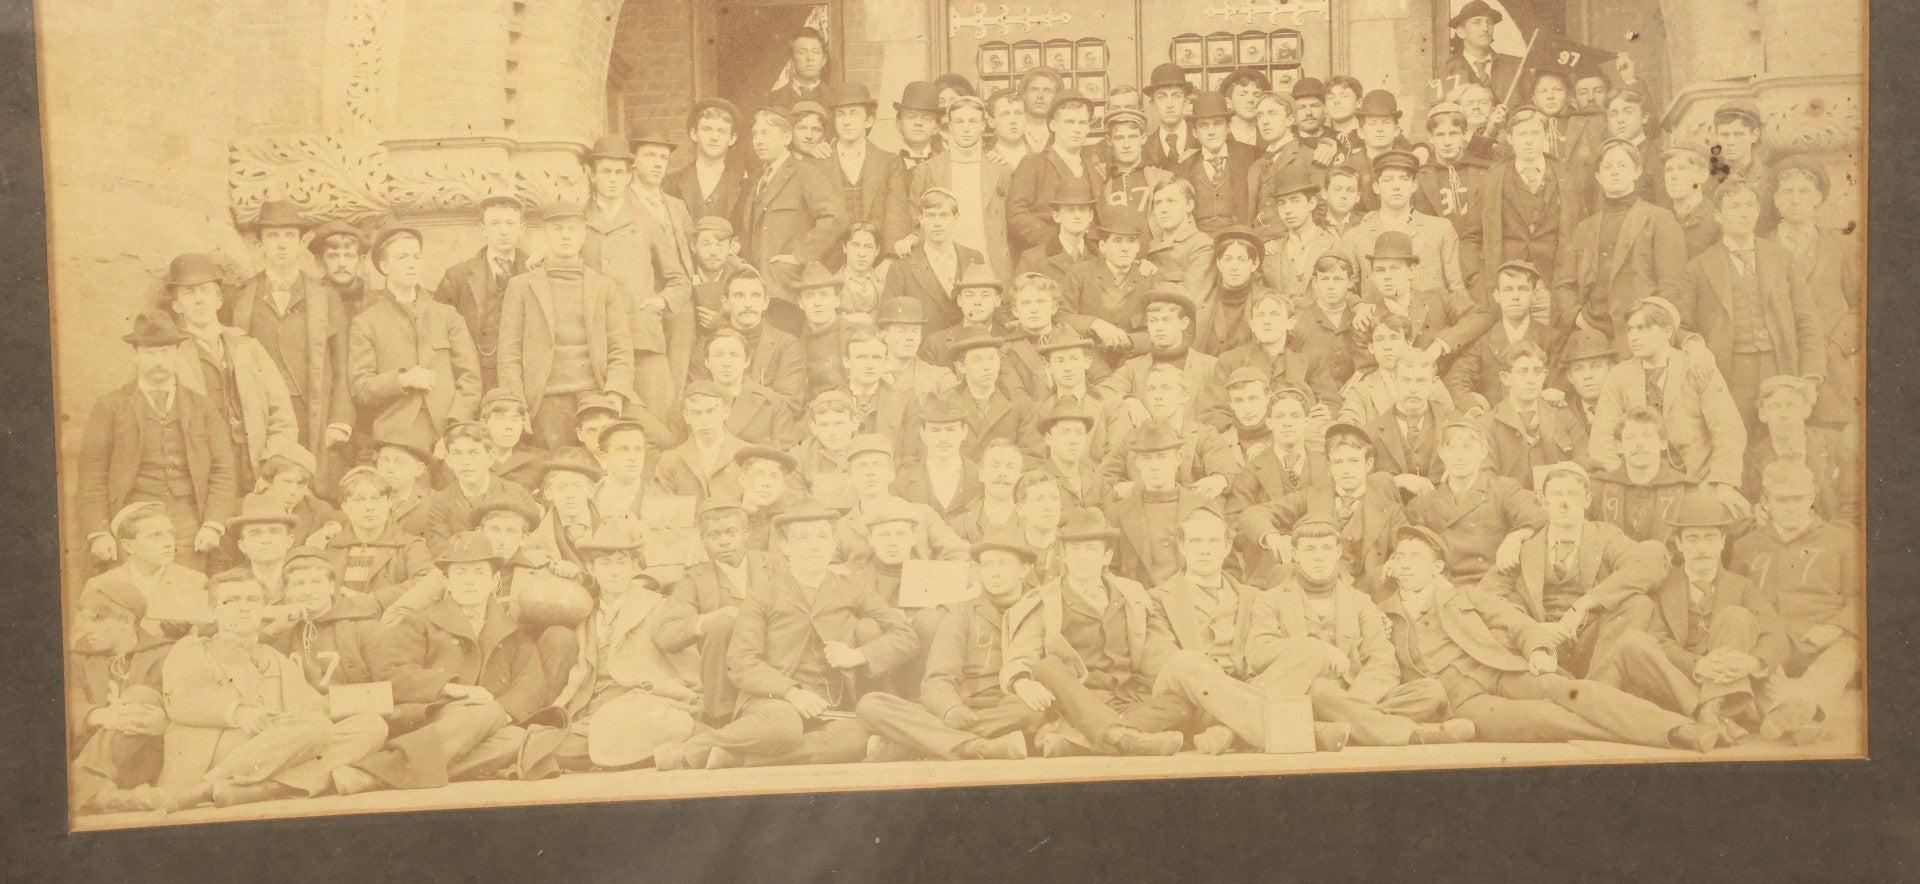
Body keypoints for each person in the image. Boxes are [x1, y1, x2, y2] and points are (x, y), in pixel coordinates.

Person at [1375, 526, 1718, 751]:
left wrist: (1538, 650)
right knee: (1546, 719)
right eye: (1400, 558)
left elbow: (1519, 624)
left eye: (1416, 557)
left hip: (1503, 671)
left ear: (1436, 568)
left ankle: (1683, 728)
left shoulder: (1464, 596)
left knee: (1573, 691)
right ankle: (1669, 735)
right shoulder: (1381, 613)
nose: (1406, 565)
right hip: (1463, 701)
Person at [652, 502, 919, 770]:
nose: (814, 546)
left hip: (832, 706)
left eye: (822, 537)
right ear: (785, 547)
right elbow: (741, 661)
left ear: (832, 543)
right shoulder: (763, 594)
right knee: (784, 726)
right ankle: (692, 750)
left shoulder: (851, 587)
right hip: (773, 701)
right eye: (802, 538)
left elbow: (905, 635)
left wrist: (858, 655)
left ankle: (740, 757)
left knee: (856, 737)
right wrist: (791, 692)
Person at [327, 532, 554, 794]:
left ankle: (382, 773)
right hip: (432, 716)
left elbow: (531, 683)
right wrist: (452, 689)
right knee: (510, 734)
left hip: (485, 723)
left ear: (493, 581)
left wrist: (501, 713)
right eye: (460, 573)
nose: (469, 581)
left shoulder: (511, 628)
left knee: (517, 739)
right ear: (446, 581)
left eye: (479, 573)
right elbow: (392, 672)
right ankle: (389, 770)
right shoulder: (420, 622)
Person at [1224, 515, 1475, 748]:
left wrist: (1351, 702)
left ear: (1338, 552)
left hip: (1353, 693)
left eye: (1325, 548)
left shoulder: (1360, 601)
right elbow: (1258, 652)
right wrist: (1318, 651)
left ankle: (1331, 727)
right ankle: (1412, 733)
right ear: (1295, 554)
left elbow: (1383, 662)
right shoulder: (1271, 600)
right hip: (1300, 691)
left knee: (1430, 691)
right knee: (1321, 690)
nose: (1319, 557)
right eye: (1309, 549)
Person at [156, 569, 389, 809]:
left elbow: (316, 706)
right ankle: (205, 787)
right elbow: (179, 700)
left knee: (372, 726)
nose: (243, 608)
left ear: (263, 609)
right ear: (213, 611)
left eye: (252, 600)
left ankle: (265, 789)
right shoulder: (193, 648)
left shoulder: (276, 658)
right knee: (314, 727)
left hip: (278, 749)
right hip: (218, 750)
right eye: (231, 601)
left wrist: (383, 698)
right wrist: (238, 712)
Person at [1588, 490, 1787, 744]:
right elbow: (1658, 640)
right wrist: (1697, 666)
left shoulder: (1742, 587)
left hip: (1731, 678)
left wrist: (1751, 662)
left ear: (1722, 542)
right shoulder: (1663, 588)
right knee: (1635, 641)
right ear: (1680, 544)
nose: (1702, 549)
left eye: (1709, 539)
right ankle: (1715, 715)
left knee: (1736, 616)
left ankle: (1712, 710)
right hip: (1683, 683)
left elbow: (1775, 634)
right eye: (1693, 540)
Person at [1000, 507, 1192, 757]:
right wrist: (1021, 681)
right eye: (1075, 551)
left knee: (1181, 704)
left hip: (1126, 699)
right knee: (1047, 668)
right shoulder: (1045, 602)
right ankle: (1121, 737)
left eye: (1091, 550)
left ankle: (1083, 739)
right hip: (1076, 699)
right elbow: (1020, 658)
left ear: (1106, 557)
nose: (1082, 557)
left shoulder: (1130, 596)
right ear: (1065, 557)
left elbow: (1155, 651)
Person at [855, 529, 1043, 761]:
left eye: (1003, 564)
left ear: (1024, 569)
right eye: (987, 565)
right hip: (960, 706)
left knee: (1031, 712)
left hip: (1005, 708)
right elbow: (938, 679)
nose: (994, 573)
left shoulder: (1040, 610)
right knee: (870, 705)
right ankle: (977, 747)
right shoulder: (962, 613)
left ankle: (922, 743)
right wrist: (951, 709)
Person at [1474, 462, 1667, 682]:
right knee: (1495, 629)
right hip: (1543, 644)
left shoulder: (1604, 536)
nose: (1564, 502)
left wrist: (1584, 604)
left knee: (1637, 604)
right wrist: (1533, 629)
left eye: (1573, 494)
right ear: (1544, 502)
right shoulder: (1526, 546)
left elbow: (1648, 563)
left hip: (1593, 644)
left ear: (1587, 500)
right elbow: (1484, 597)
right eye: (1556, 495)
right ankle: (1561, 689)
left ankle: (1597, 690)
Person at [79, 311, 238, 573]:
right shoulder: (111, 406)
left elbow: (223, 470)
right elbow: (91, 475)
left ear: (177, 353)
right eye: (150, 353)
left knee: (189, 594)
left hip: (190, 522)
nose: (158, 361)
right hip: (132, 520)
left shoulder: (202, 406)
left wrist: (212, 524)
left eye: (165, 352)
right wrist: (98, 531)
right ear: (135, 355)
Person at [546, 520, 702, 772]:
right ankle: (641, 755)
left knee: (598, 734)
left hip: (645, 702)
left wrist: (683, 699)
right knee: (548, 745)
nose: (614, 572)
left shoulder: (658, 607)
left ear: (634, 568)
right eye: (605, 564)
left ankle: (663, 748)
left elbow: (690, 670)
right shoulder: (586, 613)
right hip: (592, 710)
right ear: (591, 568)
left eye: (622, 563)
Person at [226, 201, 358, 485]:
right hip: (261, 411)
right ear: (260, 245)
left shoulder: (325, 297)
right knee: (265, 482)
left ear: (300, 244)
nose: (281, 245)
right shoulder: (240, 298)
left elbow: (341, 363)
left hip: (311, 409)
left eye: (289, 236)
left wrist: (339, 418)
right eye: (273, 237)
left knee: (312, 484)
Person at [1676, 177, 1825, 428]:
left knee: (1780, 440)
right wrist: (1693, 345)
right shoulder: (1698, 268)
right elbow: (1678, 326)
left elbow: (1807, 319)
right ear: (1718, 215)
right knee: (1734, 442)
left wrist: (1810, 377)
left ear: (1757, 212)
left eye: (1749, 206)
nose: (1744, 214)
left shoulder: (1782, 259)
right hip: (1730, 372)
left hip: (1779, 366)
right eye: (1734, 206)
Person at [1729, 461, 1861, 742]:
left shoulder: (1842, 542)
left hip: (1820, 640)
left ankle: (1789, 712)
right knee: (1758, 662)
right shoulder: (1746, 546)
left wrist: (1836, 627)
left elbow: (1859, 599)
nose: (1790, 507)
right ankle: (1799, 717)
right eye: (1781, 499)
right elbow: (1732, 601)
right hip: (1770, 643)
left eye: (1798, 498)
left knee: (1848, 651)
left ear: (1812, 496)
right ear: (1767, 501)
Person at [497, 203, 637, 451]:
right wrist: (517, 405)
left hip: (596, 393)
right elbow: (509, 353)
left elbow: (620, 348)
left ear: (583, 236)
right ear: (544, 234)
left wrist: (614, 394)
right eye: (557, 228)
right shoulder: (521, 286)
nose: (565, 235)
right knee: (558, 462)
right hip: (546, 397)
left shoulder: (604, 286)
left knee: (646, 444)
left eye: (572, 229)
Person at [162, 253, 298, 495]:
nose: (199, 300)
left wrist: (271, 466)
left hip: (254, 465)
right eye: (189, 293)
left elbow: (281, 413)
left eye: (205, 291)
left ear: (218, 299)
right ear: (176, 305)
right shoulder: (172, 356)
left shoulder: (248, 347)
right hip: (205, 474)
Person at [1589, 297, 1747, 502]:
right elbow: (1602, 440)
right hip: (1640, 487)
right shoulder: (1620, 376)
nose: (1634, 337)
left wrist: (1723, 483)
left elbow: (1728, 430)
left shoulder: (1695, 367)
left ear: (1667, 332)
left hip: (1697, 484)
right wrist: (1624, 480)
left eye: (1643, 328)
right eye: (1630, 330)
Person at [348, 224, 482, 454]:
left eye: (416, 257)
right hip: (396, 438)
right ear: (384, 266)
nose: (411, 264)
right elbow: (360, 389)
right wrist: (403, 380)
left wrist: (454, 429)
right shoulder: (366, 322)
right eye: (402, 257)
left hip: (447, 434)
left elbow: (470, 379)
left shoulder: (447, 315)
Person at [1553, 139, 1689, 354]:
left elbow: (1672, 286)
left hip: (1642, 335)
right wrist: (1580, 319)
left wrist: (1651, 328)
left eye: (1622, 165)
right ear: (1598, 176)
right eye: (1607, 167)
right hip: (1592, 334)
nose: (1614, 172)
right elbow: (1564, 286)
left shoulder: (1659, 219)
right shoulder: (1584, 228)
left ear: (1637, 171)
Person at [1239, 422, 1408, 594]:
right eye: (1338, 462)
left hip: (1365, 595)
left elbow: (1407, 546)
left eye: (1353, 461)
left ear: (1368, 464)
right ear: (1329, 467)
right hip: (1312, 590)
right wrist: (1274, 538)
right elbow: (1252, 515)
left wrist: (1395, 560)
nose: (1346, 469)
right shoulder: (1312, 497)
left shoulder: (1390, 510)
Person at [660, 497, 780, 723]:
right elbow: (666, 634)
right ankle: (721, 718)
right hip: (727, 682)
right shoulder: (695, 580)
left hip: (776, 661)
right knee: (720, 625)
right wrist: (710, 617)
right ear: (703, 541)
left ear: (746, 534)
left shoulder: (775, 565)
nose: (724, 541)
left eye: (731, 532)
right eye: (714, 535)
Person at [1770, 156, 1860, 435]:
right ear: (1775, 199)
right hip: (1779, 367)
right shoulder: (1762, 246)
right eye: (1787, 192)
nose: (1795, 200)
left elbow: (1861, 306)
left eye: (1804, 192)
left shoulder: (1839, 246)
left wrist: (1838, 345)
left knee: (1828, 448)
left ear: (1818, 198)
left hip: (1830, 370)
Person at [66, 580, 173, 813]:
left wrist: (166, 725)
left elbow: (185, 708)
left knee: (143, 695)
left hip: (145, 760)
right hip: (90, 753)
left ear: (126, 622)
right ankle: (104, 794)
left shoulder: (165, 654)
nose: (85, 628)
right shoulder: (78, 660)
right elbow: (70, 706)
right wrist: (103, 715)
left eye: (96, 619)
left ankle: (87, 787)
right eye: (83, 619)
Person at [1403, 419, 1546, 584]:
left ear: (1483, 452)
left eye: (1468, 447)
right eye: (1451, 447)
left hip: (1494, 585)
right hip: (1446, 587)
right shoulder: (1423, 504)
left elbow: (1538, 515)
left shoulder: (1503, 490)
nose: (1459, 456)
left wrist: (1515, 536)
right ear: (1441, 452)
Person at [741, 106, 850, 322]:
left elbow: (836, 217)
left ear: (786, 137)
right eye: (755, 134)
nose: (759, 140)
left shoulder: (805, 173)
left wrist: (799, 256)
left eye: (766, 133)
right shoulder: (759, 178)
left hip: (789, 287)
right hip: (760, 289)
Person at [1470, 107, 1581, 304]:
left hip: (1553, 280)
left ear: (1546, 135)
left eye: (1535, 133)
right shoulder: (1493, 177)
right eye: (1521, 134)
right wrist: (1476, 277)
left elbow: (1579, 235)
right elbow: (1472, 235)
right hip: (1506, 280)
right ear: (1510, 138)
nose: (1529, 140)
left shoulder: (1565, 176)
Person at [1335, 150, 1472, 304]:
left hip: (1432, 323)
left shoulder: (1440, 229)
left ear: (1414, 185)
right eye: (1388, 180)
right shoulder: (1355, 236)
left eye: (1403, 179)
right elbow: (1345, 289)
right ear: (1376, 187)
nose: (1396, 187)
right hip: (1379, 323)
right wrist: (1358, 306)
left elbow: (1456, 286)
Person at [1351, 230, 1492, 371]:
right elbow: (1368, 374)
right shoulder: (1366, 318)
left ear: (1411, 271)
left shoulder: (1438, 298)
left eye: (1394, 268)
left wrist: (1439, 345)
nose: (1387, 276)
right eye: (1381, 270)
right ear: (1373, 277)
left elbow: (1483, 316)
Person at [433, 196, 534, 391]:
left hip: (524, 376)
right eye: (495, 223)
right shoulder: (458, 276)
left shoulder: (537, 273)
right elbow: (438, 331)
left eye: (510, 223)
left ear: (521, 229)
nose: (503, 231)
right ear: (482, 229)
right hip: (476, 377)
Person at [912, 94, 1013, 281]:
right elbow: (915, 219)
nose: (966, 128)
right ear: (949, 127)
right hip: (944, 256)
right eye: (959, 122)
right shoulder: (928, 170)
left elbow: (1009, 218)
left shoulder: (1000, 168)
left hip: (989, 258)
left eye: (973, 121)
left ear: (983, 125)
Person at [1743, 375, 1856, 527]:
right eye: (1774, 406)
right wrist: (1753, 514)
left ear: (1806, 410)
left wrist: (1832, 539)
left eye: (1791, 405)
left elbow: (1853, 507)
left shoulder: (1835, 445)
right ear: (1763, 413)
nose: (1784, 415)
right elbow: (1746, 510)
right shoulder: (1750, 458)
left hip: (1828, 539)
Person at [1007, 90, 1104, 266]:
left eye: (1082, 123)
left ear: (1088, 128)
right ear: (1053, 125)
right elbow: (1016, 215)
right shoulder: (1034, 163)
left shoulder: (1093, 168)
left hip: (1087, 260)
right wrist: (1059, 242)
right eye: (1069, 122)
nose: (1076, 129)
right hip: (1045, 259)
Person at [1445, 260, 1558, 408]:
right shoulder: (1483, 340)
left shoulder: (1551, 338)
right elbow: (1456, 381)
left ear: (1534, 295)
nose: (1515, 296)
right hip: (1494, 424)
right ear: (1497, 295)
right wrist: (1474, 408)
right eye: (1508, 289)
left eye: (1523, 289)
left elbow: (1559, 384)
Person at [270, 547, 384, 691]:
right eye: (298, 584)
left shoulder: (363, 626)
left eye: (316, 582)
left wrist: (329, 706)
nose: (308, 591)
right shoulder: (281, 630)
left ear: (331, 586)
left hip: (351, 710)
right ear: (287, 590)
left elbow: (385, 690)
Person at [883, 188, 987, 343]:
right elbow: (888, 317)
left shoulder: (973, 258)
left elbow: (986, 303)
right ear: (921, 219)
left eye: (944, 215)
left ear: (956, 217)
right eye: (931, 216)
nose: (937, 223)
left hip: (967, 347)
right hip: (922, 350)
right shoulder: (902, 267)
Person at [1477, 341, 1583, 489]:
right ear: (1506, 378)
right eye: (1523, 371)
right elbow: (1488, 479)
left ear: (1544, 375)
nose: (1531, 380)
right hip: (1511, 508)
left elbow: (1583, 465)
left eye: (1537, 371)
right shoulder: (1488, 425)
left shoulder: (1563, 416)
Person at [824, 83, 912, 259]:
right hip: (829, 261)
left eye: (854, 114)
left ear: (869, 121)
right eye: (841, 115)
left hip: (876, 258)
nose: (846, 121)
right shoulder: (819, 162)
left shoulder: (888, 161)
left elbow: (896, 214)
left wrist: (889, 258)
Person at [424, 422, 539, 548]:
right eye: (457, 453)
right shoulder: (440, 502)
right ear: (449, 460)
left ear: (490, 458)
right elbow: (440, 550)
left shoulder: (517, 493)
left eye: (474, 453)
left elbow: (532, 543)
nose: (465, 462)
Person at [704, 267, 806, 402]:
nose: (748, 304)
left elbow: (789, 402)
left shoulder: (786, 345)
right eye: (739, 295)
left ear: (765, 302)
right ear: (725, 302)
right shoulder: (708, 345)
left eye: (755, 295)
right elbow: (697, 396)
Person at [648, 381, 748, 502]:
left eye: (711, 411)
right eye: (696, 413)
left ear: (726, 412)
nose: (704, 421)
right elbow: (661, 511)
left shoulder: (747, 455)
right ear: (686, 417)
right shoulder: (670, 460)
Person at [1178, 92, 1259, 236]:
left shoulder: (1250, 156)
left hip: (1240, 240)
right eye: (1204, 126)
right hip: (1201, 245)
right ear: (1195, 132)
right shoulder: (1185, 167)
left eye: (1218, 124)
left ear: (1228, 127)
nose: (1211, 132)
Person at [667, 98, 753, 233]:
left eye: (722, 131)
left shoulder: (745, 186)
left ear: (732, 139)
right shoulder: (671, 183)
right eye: (707, 129)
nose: (714, 137)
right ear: (694, 134)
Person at [1415, 102, 1489, 258]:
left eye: (1454, 134)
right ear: (1430, 137)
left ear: (1464, 134)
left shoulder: (1484, 171)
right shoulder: (1420, 177)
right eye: (1440, 135)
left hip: (1479, 257)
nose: (1447, 142)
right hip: (1435, 256)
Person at [1260, 166, 1341, 302]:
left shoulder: (1333, 245)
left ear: (1312, 203)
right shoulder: (1272, 251)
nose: (1287, 210)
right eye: (1282, 203)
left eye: (1295, 201)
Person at [895, 396, 981, 520]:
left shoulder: (979, 477)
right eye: (935, 430)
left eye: (951, 429)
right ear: (922, 433)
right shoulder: (905, 479)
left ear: (964, 432)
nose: (943, 438)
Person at [1143, 178, 1218, 311]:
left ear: (1189, 205)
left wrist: (1151, 281)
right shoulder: (1151, 246)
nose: (1163, 209)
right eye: (1158, 203)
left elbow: (1189, 297)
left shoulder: (1202, 245)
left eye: (1171, 201)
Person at [1100, 108, 1174, 217]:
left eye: (1132, 137)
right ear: (1109, 141)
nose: (1126, 145)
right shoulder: (1102, 183)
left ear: (1143, 138)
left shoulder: (1163, 179)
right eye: (1119, 138)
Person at [477, 388, 546, 491]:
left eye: (515, 419)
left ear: (523, 424)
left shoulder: (539, 460)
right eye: (499, 418)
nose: (508, 426)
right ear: (483, 424)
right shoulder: (471, 459)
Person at [1663, 146, 1722, 258]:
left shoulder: (1717, 220)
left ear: (1702, 175)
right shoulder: (1659, 218)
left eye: (1682, 168)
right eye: (1668, 170)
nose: (1673, 177)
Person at [309, 218, 371, 320]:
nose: (342, 264)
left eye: (349, 256)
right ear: (319, 260)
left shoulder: (375, 300)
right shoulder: (310, 299)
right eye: (333, 256)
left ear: (361, 260)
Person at [1143, 63, 1199, 170]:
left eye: (1176, 96)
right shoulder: (1144, 146)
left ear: (1186, 102)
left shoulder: (1201, 140)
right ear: (1153, 104)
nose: (1169, 104)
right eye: (1162, 97)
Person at [764, 27, 829, 110]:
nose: (810, 58)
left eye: (815, 52)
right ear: (792, 60)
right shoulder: (773, 100)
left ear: (823, 60)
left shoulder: (836, 99)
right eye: (802, 52)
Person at [894, 80, 945, 171]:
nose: (918, 123)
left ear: (936, 128)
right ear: (898, 124)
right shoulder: (887, 166)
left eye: (926, 118)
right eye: (911, 117)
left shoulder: (945, 165)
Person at [1016, 67, 1066, 156]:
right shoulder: (1012, 128)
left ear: (1057, 97)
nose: (1040, 96)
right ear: (1024, 96)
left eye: (1047, 91)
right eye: (1034, 90)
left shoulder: (1064, 131)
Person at [985, 87, 1032, 170]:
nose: (1013, 121)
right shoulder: (985, 161)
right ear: (991, 122)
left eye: (1018, 113)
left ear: (1026, 118)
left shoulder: (1040, 158)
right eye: (1005, 114)